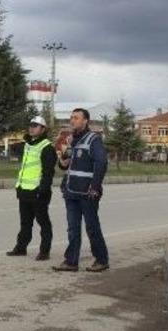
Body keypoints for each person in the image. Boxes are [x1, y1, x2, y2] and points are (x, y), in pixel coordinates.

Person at [53, 108, 109, 272]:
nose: (72, 121)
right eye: (71, 118)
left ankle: (101, 260)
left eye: (76, 118)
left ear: (85, 121)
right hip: (71, 192)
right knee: (72, 228)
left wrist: (95, 186)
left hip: (87, 193)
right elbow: (65, 164)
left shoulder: (93, 139)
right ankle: (71, 262)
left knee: (92, 227)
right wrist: (62, 160)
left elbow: (101, 163)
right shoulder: (72, 140)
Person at [6, 115, 57, 261]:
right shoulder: (28, 144)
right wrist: (19, 187)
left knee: (43, 222)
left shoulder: (46, 147)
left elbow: (48, 173)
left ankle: (44, 251)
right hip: (24, 191)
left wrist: (43, 190)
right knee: (25, 223)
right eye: (31, 125)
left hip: (38, 192)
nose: (32, 128)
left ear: (43, 129)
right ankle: (21, 248)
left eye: (35, 125)